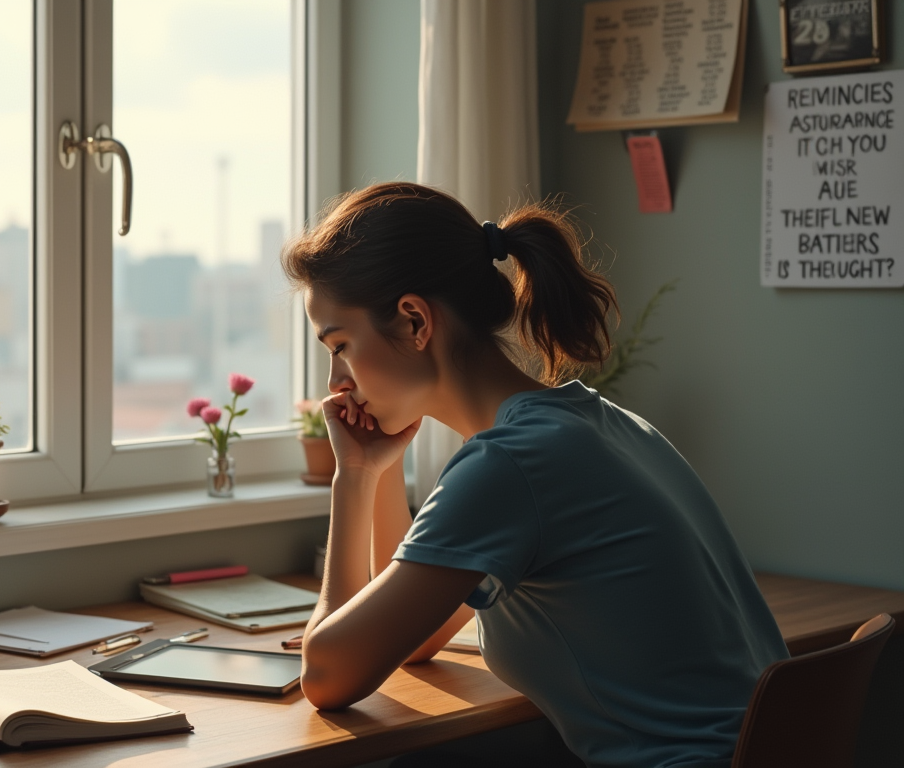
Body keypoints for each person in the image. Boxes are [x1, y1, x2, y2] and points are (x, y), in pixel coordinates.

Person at [282, 182, 788, 768]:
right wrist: (373, 470)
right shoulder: (597, 425)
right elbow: (411, 636)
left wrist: (349, 485)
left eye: (340, 345)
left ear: (415, 321)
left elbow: (327, 675)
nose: (335, 383)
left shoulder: (509, 466)